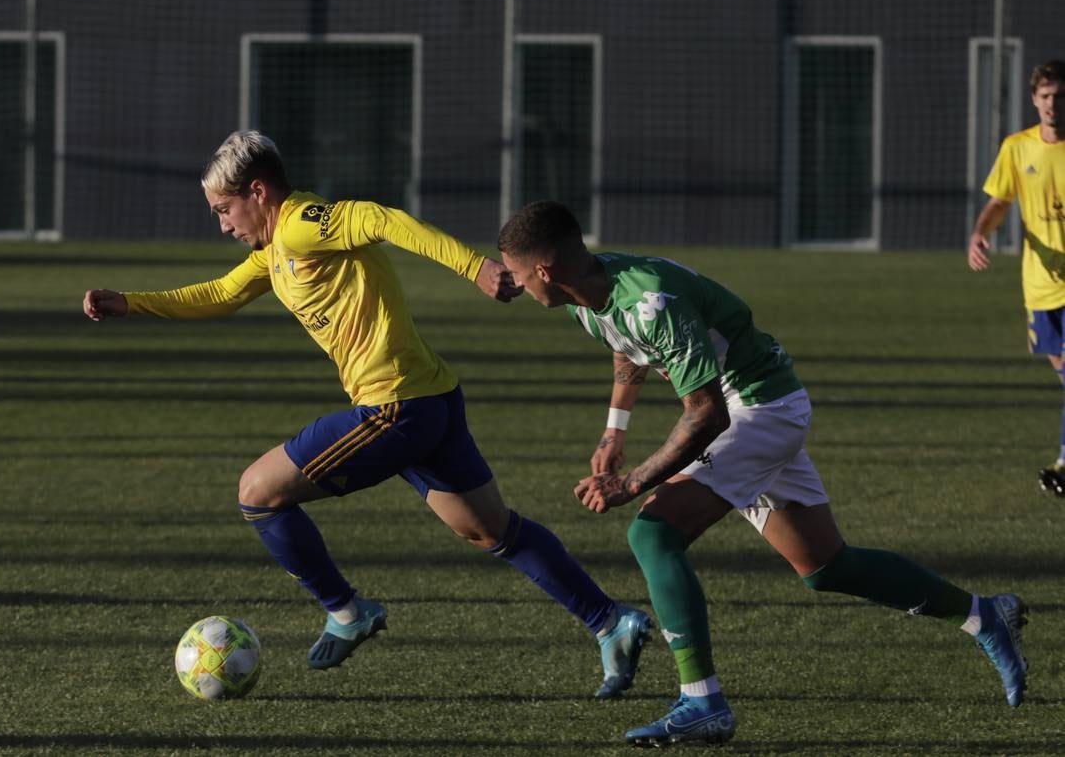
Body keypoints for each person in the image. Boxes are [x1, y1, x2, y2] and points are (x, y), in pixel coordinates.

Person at [82, 131, 651, 695]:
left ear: (258, 192)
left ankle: (346, 611)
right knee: (489, 530)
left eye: (224, 210)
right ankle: (610, 622)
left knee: (257, 492)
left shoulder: (305, 223)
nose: (224, 225)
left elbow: (384, 219)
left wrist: (473, 266)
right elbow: (217, 294)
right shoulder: (275, 251)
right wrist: (132, 302)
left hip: (395, 406)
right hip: (432, 399)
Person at [497, 200, 1029, 746]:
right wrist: (615, 431)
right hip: (753, 409)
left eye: (514, 272)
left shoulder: (650, 298)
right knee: (826, 567)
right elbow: (626, 347)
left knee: (652, 533)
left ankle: (702, 702)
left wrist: (633, 483)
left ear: (544, 270)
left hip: (759, 408)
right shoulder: (584, 294)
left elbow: (707, 413)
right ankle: (984, 615)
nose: (512, 285)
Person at [969, 59, 1065, 498]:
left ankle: (1064, 461)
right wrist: (980, 233)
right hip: (1040, 288)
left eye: (1060, 96)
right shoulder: (1018, 147)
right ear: (1034, 99)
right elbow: (1000, 201)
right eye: (1046, 96)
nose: (1053, 104)